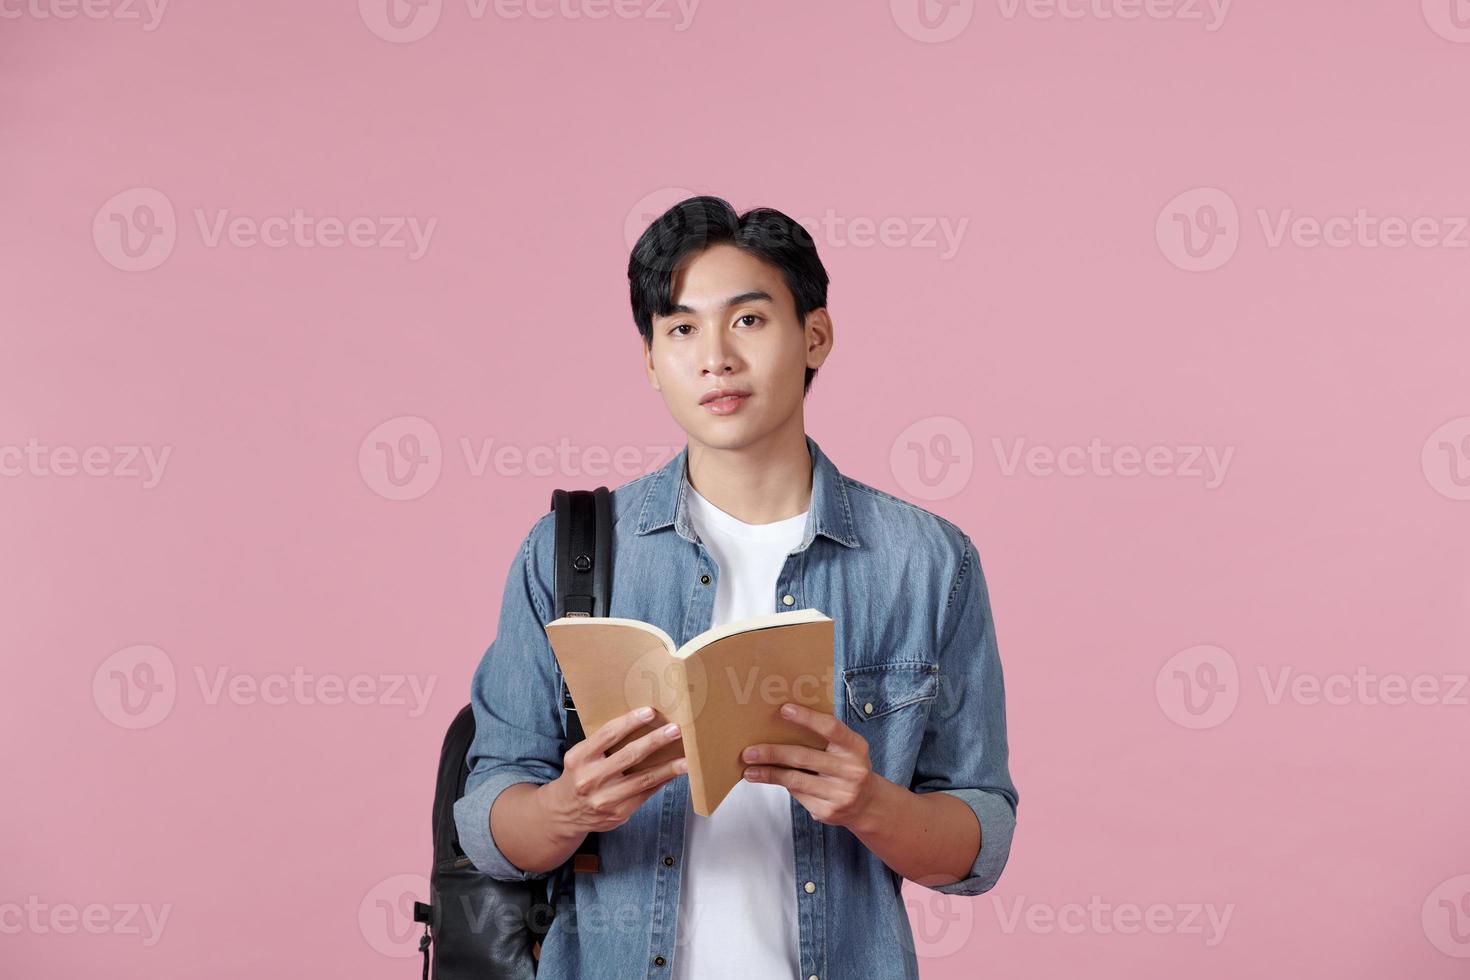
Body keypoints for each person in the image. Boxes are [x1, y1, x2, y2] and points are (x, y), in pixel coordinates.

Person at [453, 195, 1019, 980]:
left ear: (814, 335)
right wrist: (568, 808)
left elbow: (980, 839)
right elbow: (488, 821)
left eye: (748, 320)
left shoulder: (928, 563)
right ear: (652, 362)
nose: (714, 356)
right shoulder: (568, 553)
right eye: (680, 329)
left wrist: (870, 804)